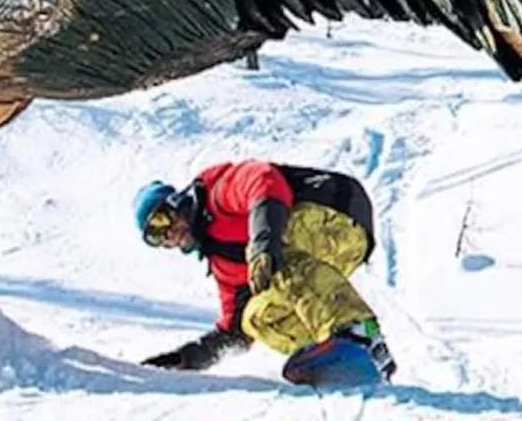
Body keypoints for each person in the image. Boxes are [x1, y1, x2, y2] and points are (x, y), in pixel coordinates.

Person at [133, 159, 396, 383]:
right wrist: (184, 360)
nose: (168, 234)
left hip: (330, 206)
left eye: (161, 219)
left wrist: (262, 246)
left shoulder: (216, 194)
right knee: (254, 317)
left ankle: (358, 334)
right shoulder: (222, 264)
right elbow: (234, 331)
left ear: (176, 202)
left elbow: (266, 181)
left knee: (270, 262)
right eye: (156, 237)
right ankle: (341, 360)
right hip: (331, 245)